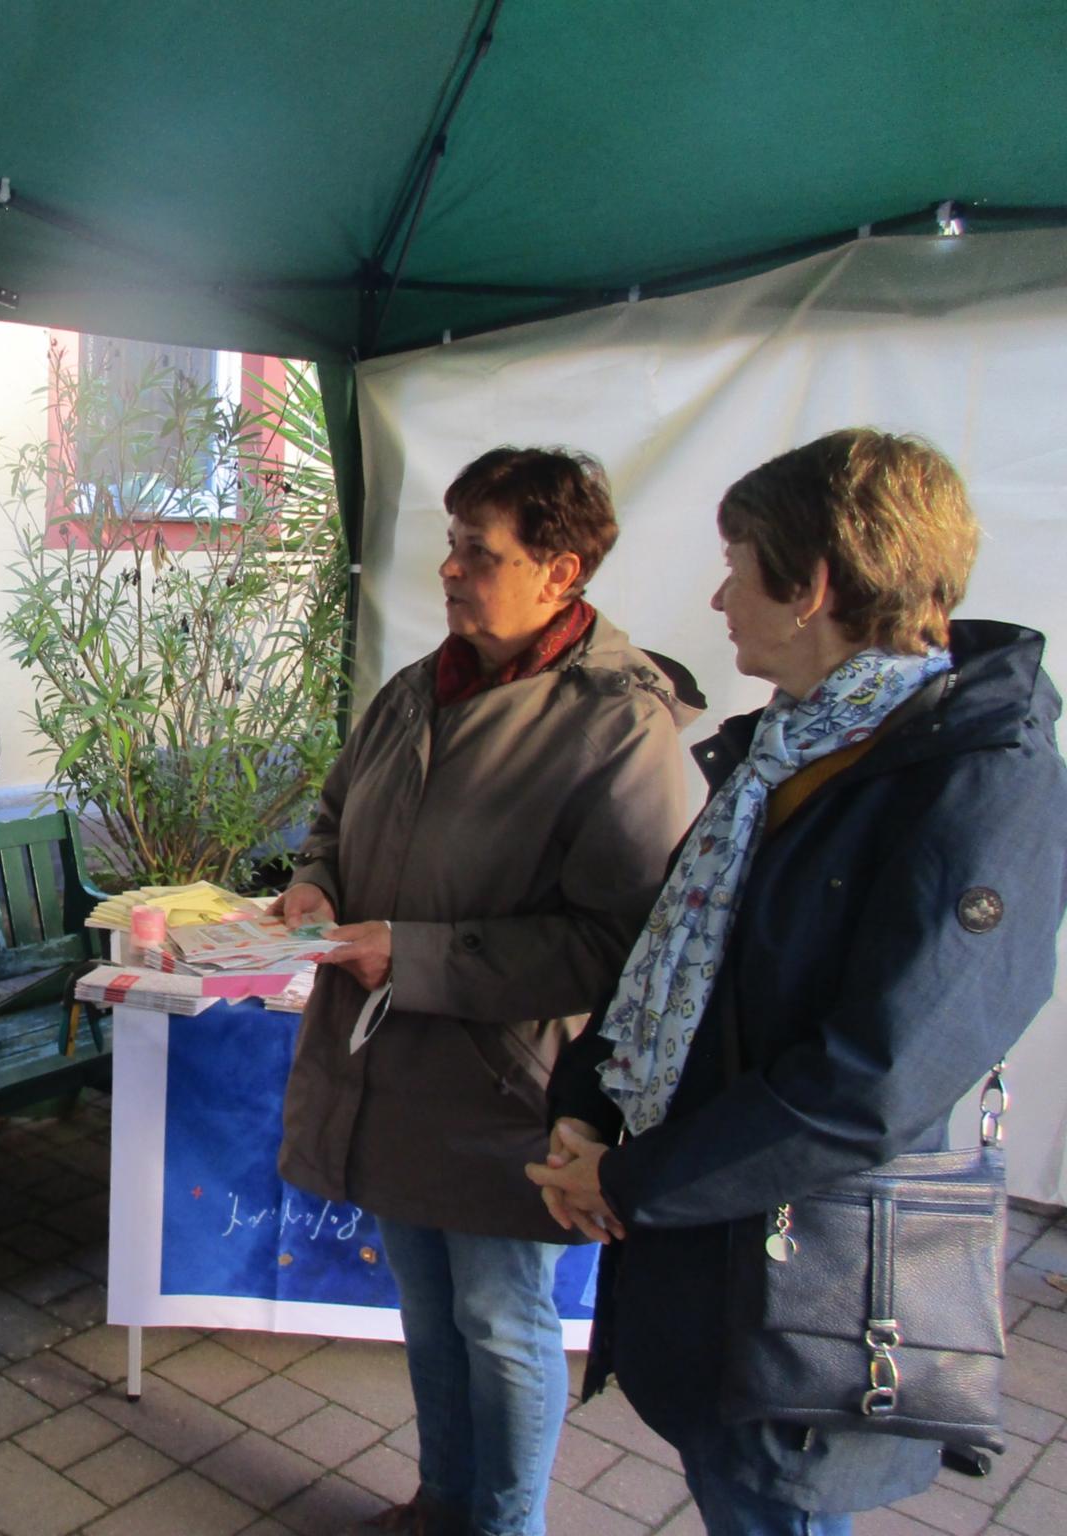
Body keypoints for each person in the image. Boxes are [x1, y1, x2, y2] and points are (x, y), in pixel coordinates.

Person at [530, 430, 1067, 1535]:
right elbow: (668, 961)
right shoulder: (783, 750)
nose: (719, 597)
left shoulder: (975, 786)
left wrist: (630, 1183)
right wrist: (585, 1109)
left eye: (736, 563)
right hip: (715, 1256)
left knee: (772, 1511)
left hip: (808, 1298)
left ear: (811, 585)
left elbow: (872, 1080)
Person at [274, 447, 697, 1536]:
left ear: (560, 573)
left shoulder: (616, 721)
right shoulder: (419, 684)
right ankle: (442, 1502)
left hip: (505, 1086)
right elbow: (332, 816)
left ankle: (502, 1527)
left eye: (478, 551)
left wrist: (409, 956)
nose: (448, 571)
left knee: (502, 1322)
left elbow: (623, 942)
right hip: (387, 1069)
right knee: (424, 1306)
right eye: (450, 545)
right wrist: (316, 886)